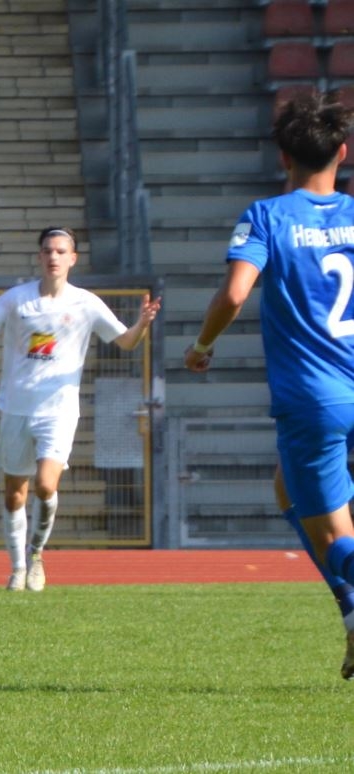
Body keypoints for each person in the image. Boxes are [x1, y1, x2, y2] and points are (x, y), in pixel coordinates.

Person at [185, 91, 354, 677]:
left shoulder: (267, 216)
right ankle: (351, 614)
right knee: (286, 489)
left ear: (283, 157)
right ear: (342, 152)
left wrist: (202, 345)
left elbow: (235, 293)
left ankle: (352, 604)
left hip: (316, 397)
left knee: (334, 537)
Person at [0, 227, 158, 592]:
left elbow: (126, 341)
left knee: (46, 485)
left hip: (59, 411)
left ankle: (35, 555)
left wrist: (142, 324)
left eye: (61, 251)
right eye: (48, 251)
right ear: (39, 256)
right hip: (16, 408)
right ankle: (17, 568)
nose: (53, 257)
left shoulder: (86, 303)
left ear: (72, 258)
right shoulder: (17, 299)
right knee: (14, 495)